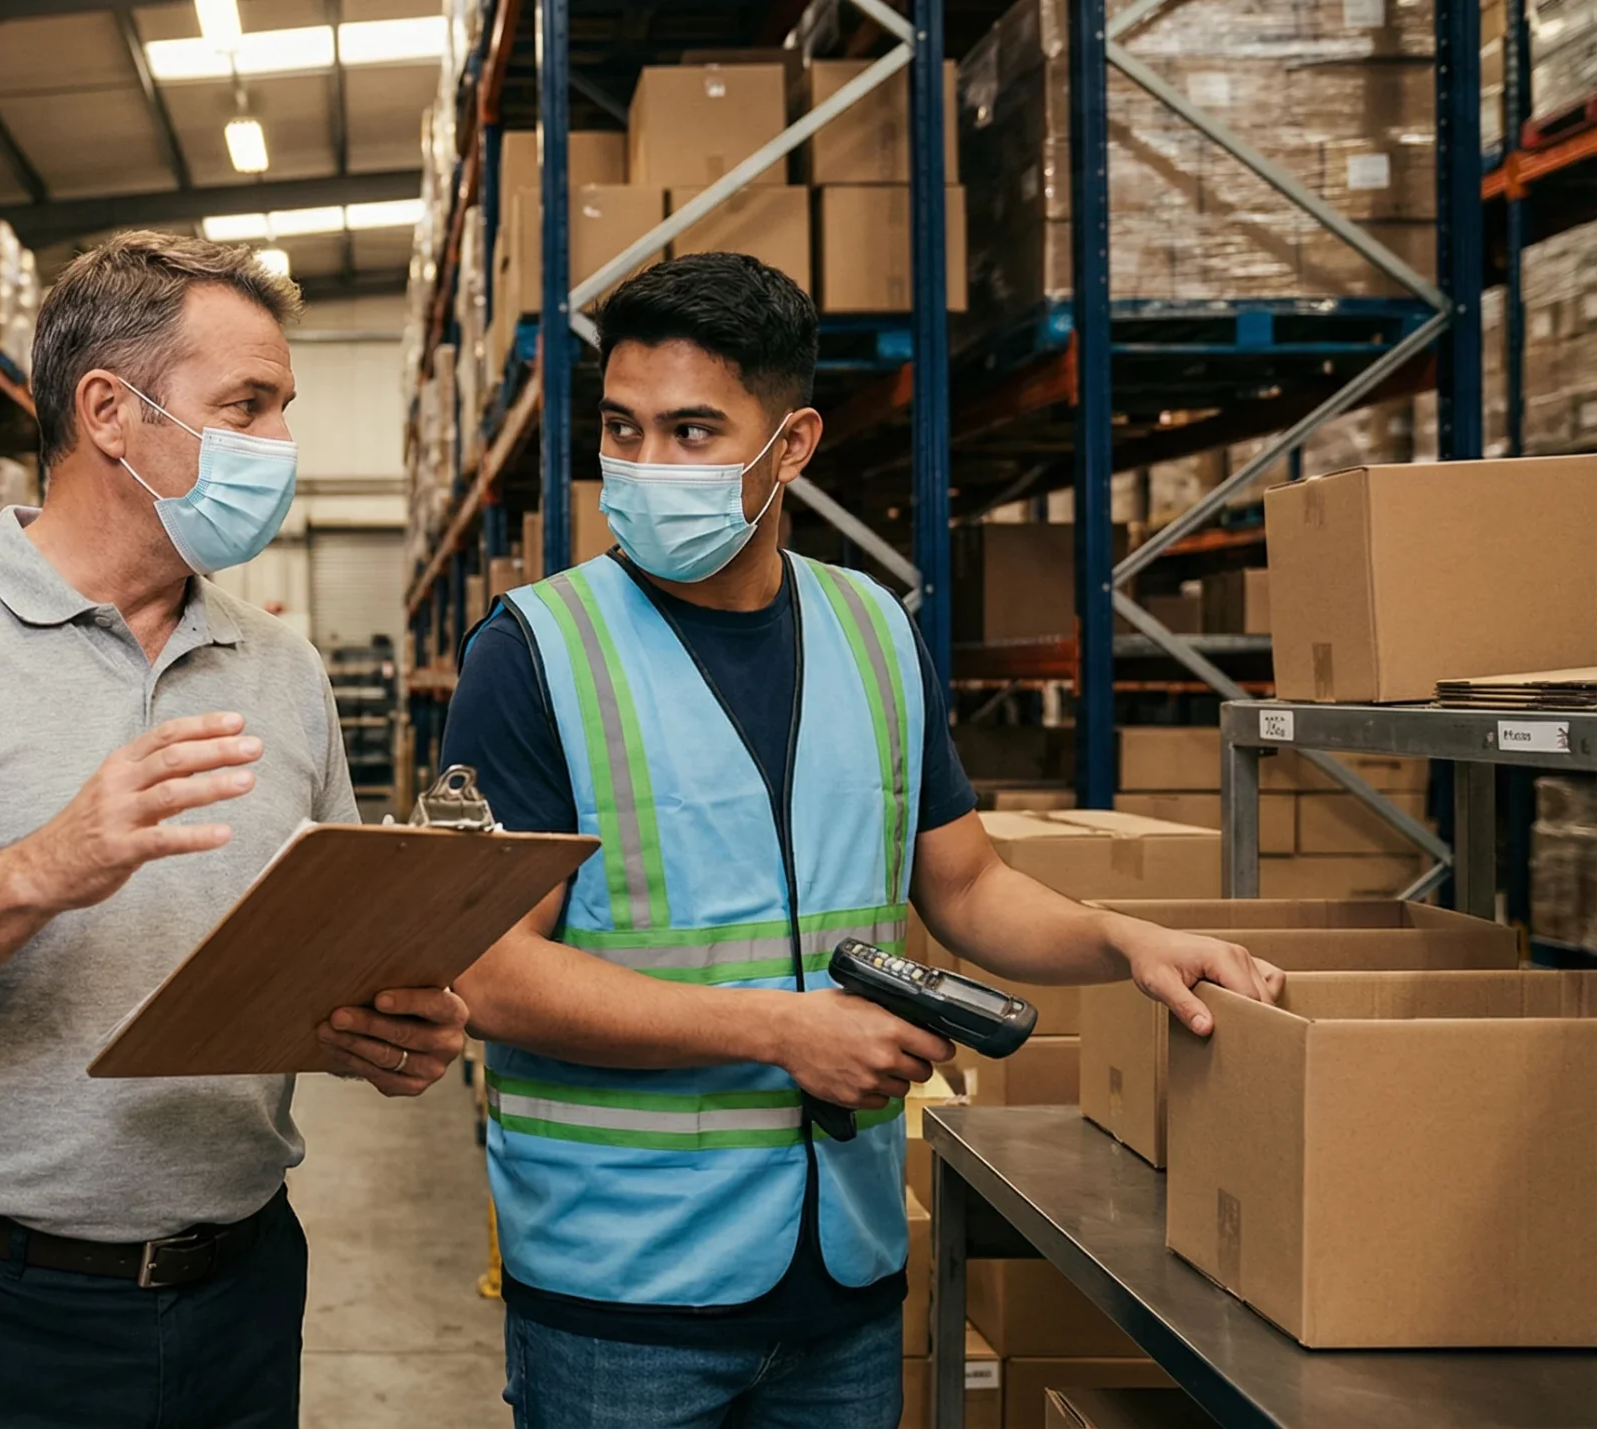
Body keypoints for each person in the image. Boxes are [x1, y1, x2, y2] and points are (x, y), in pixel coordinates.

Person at [438, 252, 1284, 1429]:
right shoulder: (535, 651)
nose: (642, 469)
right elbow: (487, 971)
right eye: (622, 432)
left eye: (691, 432)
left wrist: (1121, 939)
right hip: (621, 1285)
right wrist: (780, 1028)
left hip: (843, 1268)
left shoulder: (873, 629)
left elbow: (967, 884)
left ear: (790, 445)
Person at [0, 231, 470, 1428]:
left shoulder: (281, 669)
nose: (280, 447)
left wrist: (379, 1026)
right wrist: (40, 868)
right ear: (108, 411)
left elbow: (325, 950)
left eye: (283, 408)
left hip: (238, 1293)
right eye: (246, 405)